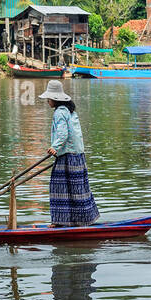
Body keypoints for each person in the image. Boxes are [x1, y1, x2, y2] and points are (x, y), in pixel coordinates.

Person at [39, 80, 100, 227]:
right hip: (77, 156)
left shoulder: (60, 113)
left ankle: (60, 222)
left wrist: (55, 147)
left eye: (49, 98)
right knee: (77, 188)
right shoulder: (69, 111)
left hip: (68, 157)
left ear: (54, 99)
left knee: (58, 187)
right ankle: (82, 220)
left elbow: (63, 134)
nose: (47, 101)